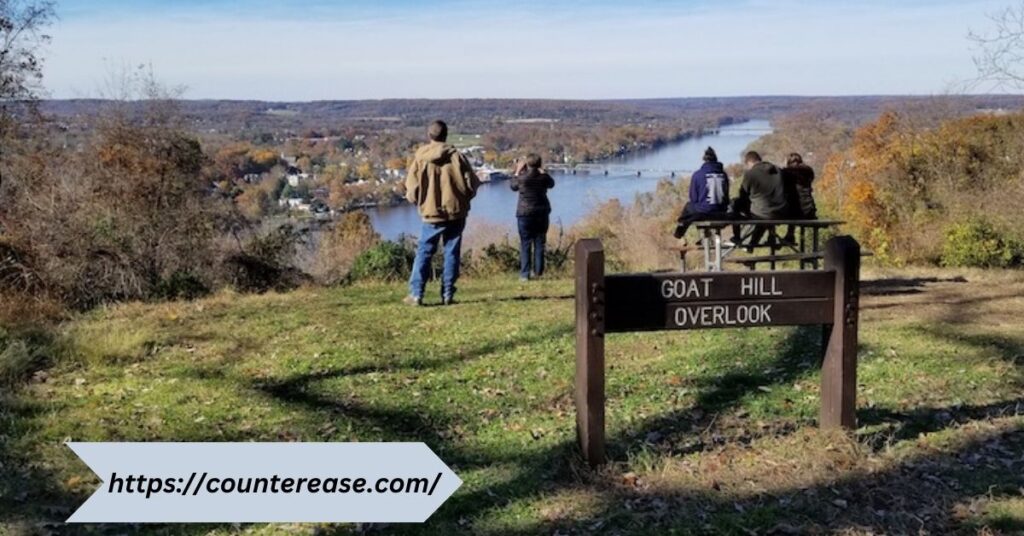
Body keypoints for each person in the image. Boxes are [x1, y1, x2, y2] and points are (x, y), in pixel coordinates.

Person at [403, 120, 481, 306]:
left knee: (424, 252)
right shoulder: (458, 157)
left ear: (429, 136)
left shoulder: (420, 158)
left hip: (431, 213)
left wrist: (421, 203)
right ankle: (447, 294)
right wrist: (463, 200)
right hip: (456, 212)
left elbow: (411, 188)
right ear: (446, 135)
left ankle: (416, 294)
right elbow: (472, 184)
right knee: (451, 252)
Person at [510, 153, 555, 281]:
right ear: (539, 164)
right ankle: (538, 273)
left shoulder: (522, 178)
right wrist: (544, 171)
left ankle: (525, 274)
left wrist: (517, 171)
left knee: (525, 243)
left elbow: (513, 186)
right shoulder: (543, 178)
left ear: (527, 164)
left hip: (524, 214)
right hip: (541, 213)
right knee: (540, 243)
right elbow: (552, 184)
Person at [673, 147, 730, 244]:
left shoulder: (698, 175)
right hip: (721, 212)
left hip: (704, 213)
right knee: (702, 207)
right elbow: (726, 197)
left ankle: (679, 235)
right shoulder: (723, 175)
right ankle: (705, 236)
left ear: (704, 160)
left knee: (690, 207)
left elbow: (693, 198)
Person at [731, 151, 787, 248]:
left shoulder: (751, 174)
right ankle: (767, 238)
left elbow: (743, 196)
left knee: (735, 203)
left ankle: (737, 237)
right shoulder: (778, 171)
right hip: (781, 212)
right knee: (765, 208)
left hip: (763, 214)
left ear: (749, 162)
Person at [781, 152, 817, 244]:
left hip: (794, 212)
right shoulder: (809, 172)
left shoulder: (786, 173)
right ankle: (789, 235)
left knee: (791, 204)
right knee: (795, 203)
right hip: (810, 211)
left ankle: (776, 238)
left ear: (788, 162)